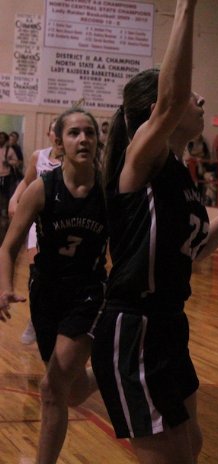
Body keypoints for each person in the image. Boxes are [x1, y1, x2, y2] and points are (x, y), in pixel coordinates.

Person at [88, 1, 218, 462]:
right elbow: (172, 99)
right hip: (134, 325)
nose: (201, 100)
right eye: (193, 96)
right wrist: (186, 8)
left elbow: (199, 248)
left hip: (169, 324)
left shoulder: (180, 177)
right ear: (157, 110)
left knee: (192, 445)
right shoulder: (142, 161)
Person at [0, 106, 107, 463]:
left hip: (89, 294)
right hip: (45, 294)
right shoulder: (43, 189)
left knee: (50, 389)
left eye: (89, 132)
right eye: (74, 132)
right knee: (70, 392)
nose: (83, 139)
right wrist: (3, 286)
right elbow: (8, 247)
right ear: (58, 143)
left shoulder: (108, 190)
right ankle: (108, 372)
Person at [8, 119, 63, 346]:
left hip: (62, 223)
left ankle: (58, 318)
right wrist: (14, 198)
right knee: (37, 272)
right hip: (37, 222)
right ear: (50, 134)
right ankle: (35, 317)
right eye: (55, 128)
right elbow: (26, 181)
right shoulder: (39, 156)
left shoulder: (73, 159)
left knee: (58, 276)